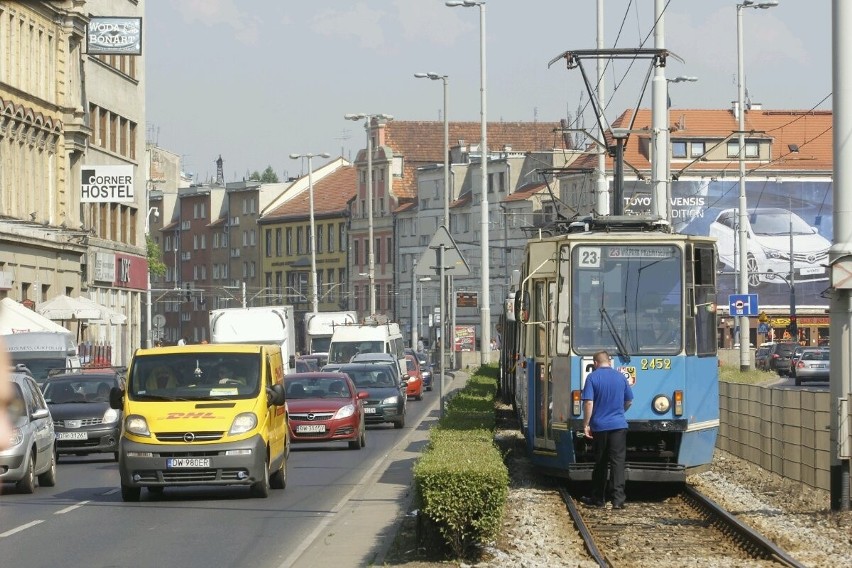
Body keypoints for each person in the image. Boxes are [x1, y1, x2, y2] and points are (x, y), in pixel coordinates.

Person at [580, 350, 634, 510]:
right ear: (609, 362)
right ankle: (618, 500)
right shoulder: (620, 377)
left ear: (595, 363)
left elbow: (588, 403)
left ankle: (598, 499)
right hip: (619, 426)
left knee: (601, 462)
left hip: (600, 426)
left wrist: (586, 424)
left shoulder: (592, 377)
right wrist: (619, 413)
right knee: (618, 462)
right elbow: (629, 400)